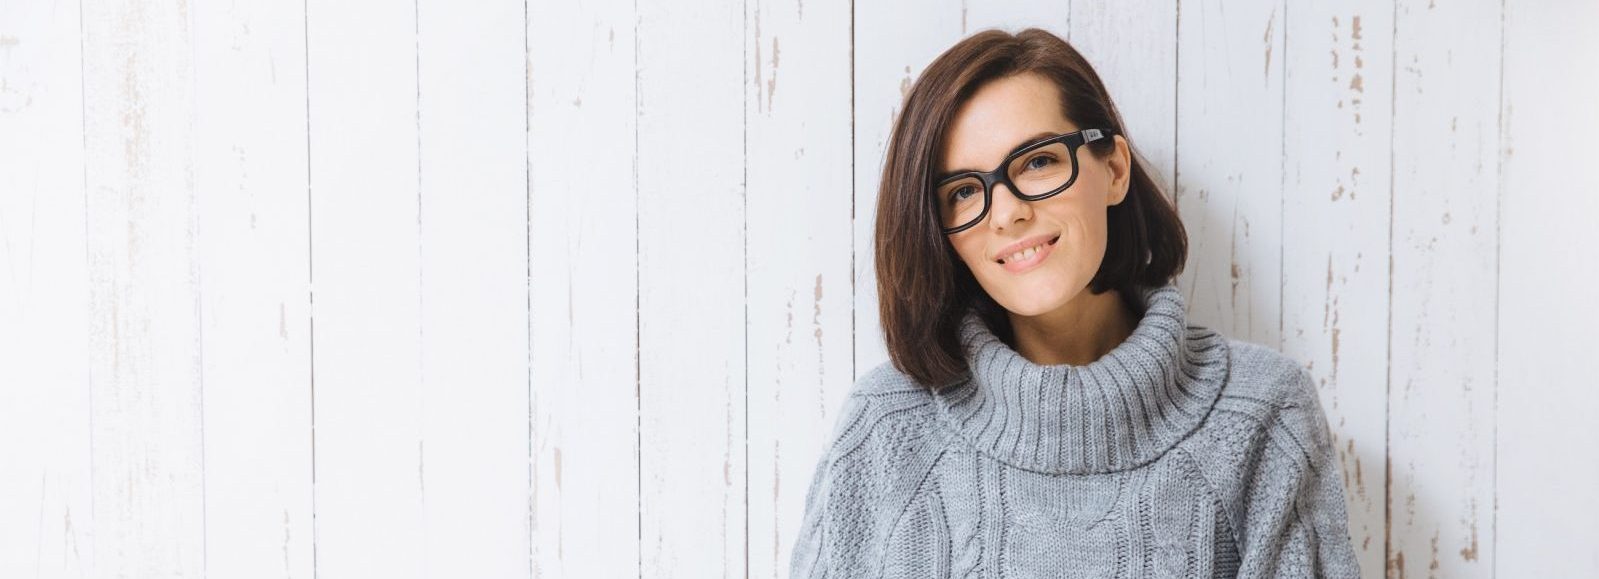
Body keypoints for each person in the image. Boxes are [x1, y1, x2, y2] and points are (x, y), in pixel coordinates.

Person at [787, 28, 1361, 578]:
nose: (1007, 212)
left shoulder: (1263, 413)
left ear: (1113, 169)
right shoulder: (886, 429)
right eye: (963, 192)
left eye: (1038, 161)